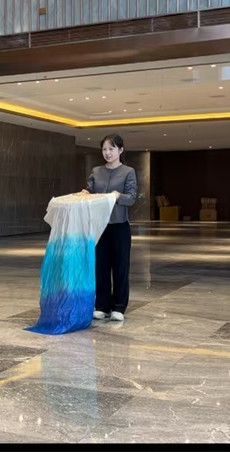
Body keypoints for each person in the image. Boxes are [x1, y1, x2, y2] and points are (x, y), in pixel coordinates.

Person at [81, 134, 138, 322]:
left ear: (120, 150)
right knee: (101, 267)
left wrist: (117, 196)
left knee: (120, 267)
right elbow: (90, 190)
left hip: (119, 227)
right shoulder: (96, 171)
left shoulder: (128, 172)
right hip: (99, 227)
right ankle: (102, 306)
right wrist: (85, 193)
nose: (107, 153)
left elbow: (131, 198)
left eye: (111, 149)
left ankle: (119, 307)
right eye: (104, 149)